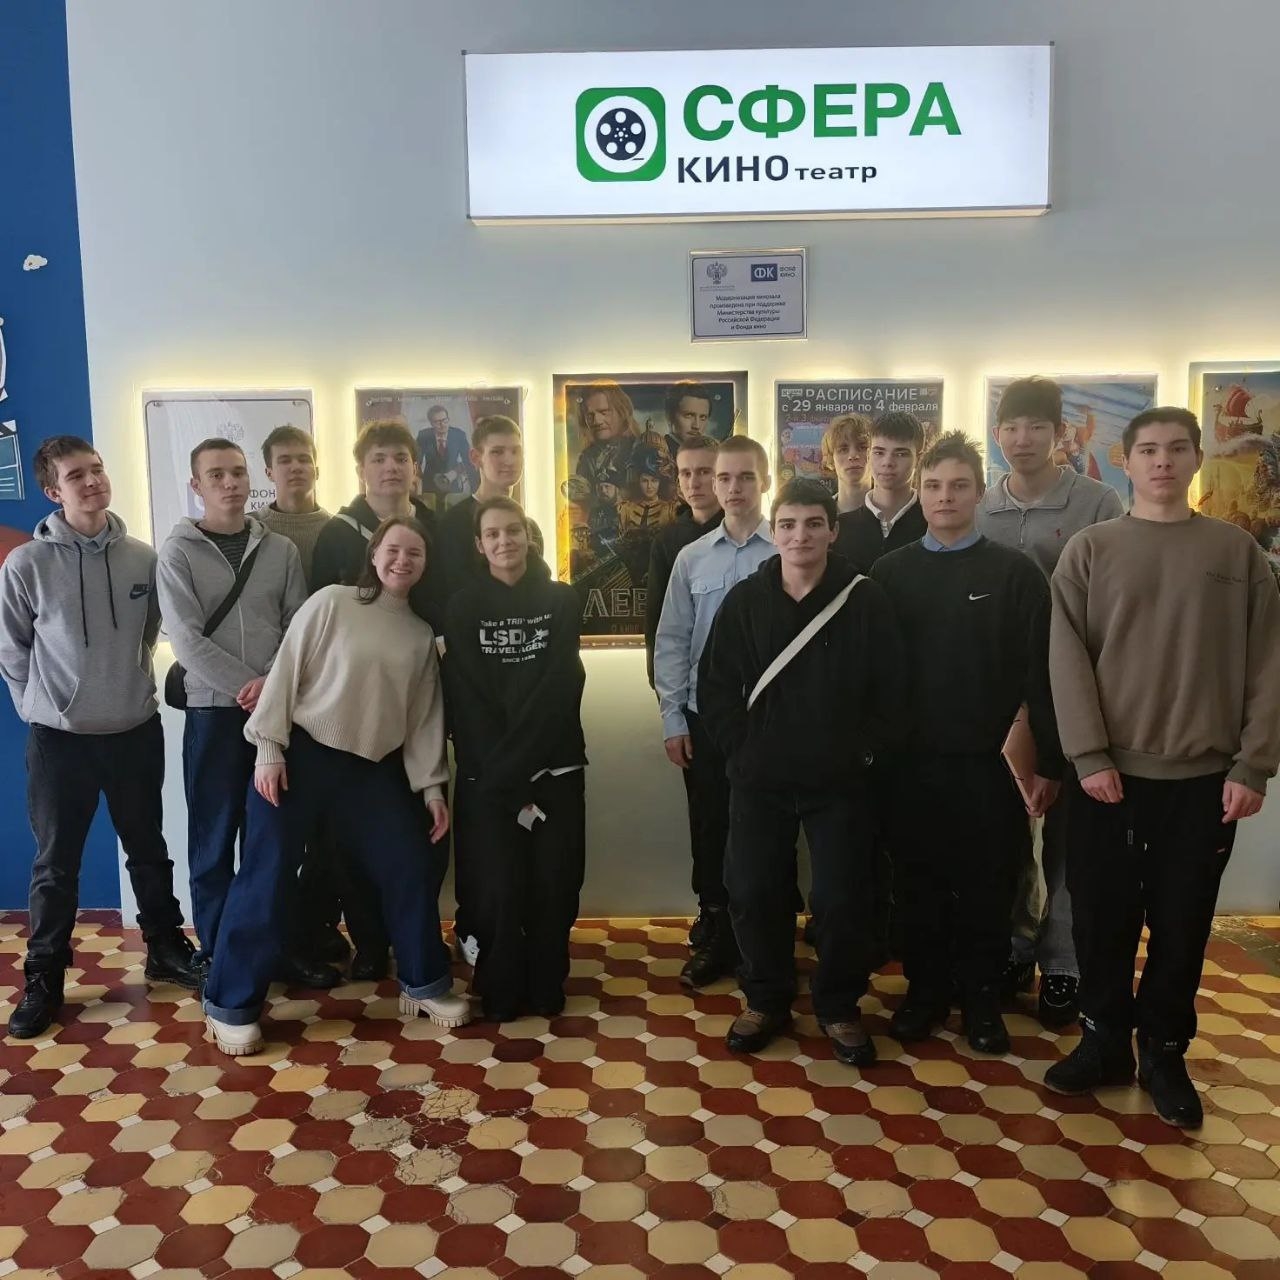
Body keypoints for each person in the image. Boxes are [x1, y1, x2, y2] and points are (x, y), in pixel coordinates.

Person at [1044, 408, 1280, 1128]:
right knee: (1101, 922)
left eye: (1177, 448)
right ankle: (1103, 1041)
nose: (1162, 461)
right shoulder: (1090, 549)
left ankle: (1164, 1052)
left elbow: (1269, 664)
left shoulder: (1237, 553)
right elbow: (1066, 658)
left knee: (1182, 926)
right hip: (1106, 779)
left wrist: (1253, 765)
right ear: (1126, 460)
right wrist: (1088, 755)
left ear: (1198, 457)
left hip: (1205, 781)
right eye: (1148, 449)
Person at [201, 516, 468, 1054]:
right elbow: (286, 672)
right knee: (267, 874)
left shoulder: (419, 635)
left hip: (372, 771)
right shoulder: (331, 602)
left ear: (425, 564)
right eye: (393, 549)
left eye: (414, 553)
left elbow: (423, 720)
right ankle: (228, 1004)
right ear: (374, 554)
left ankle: (423, 983)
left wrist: (432, 789)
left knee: (410, 865)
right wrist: (269, 748)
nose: (402, 560)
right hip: (301, 757)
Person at [697, 479, 906, 1064]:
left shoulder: (864, 599)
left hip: (839, 782)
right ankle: (765, 998)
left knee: (842, 897)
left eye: (813, 523)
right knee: (753, 890)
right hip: (759, 779)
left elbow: (892, 690)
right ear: (775, 531)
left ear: (832, 530)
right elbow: (715, 686)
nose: (800, 536)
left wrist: (862, 754)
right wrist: (741, 750)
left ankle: (838, 1006)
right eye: (788, 524)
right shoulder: (747, 600)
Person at [0, 437, 199, 1038]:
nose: (92, 482)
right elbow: (12, 651)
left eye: (97, 469)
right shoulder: (26, 565)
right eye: (76, 476)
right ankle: (44, 977)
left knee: (148, 847)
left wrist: (129, 689)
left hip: (134, 730)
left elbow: (149, 634)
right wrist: (40, 708)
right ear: (52, 491)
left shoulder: (142, 558)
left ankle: (165, 948)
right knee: (56, 865)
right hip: (60, 740)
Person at [871, 431, 1062, 1056]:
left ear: (980, 493)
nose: (944, 497)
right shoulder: (890, 573)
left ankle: (982, 1000)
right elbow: (873, 674)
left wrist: (1046, 763)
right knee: (918, 885)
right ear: (918, 493)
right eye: (932, 486)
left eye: (958, 486)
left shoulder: (1015, 574)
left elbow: (1042, 676)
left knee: (989, 886)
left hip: (991, 768)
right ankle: (924, 993)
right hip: (911, 766)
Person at [977, 377, 1125, 1028]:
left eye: (1037, 426)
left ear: (1060, 433)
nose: (1023, 439)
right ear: (997, 434)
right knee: (1006, 830)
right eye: (1011, 427)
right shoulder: (982, 504)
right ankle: (1013, 948)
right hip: (997, 697)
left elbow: (1110, 600)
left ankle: (1061, 964)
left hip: (1072, 690)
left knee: (1068, 836)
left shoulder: (1097, 502)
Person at [156, 438, 314, 979]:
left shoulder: (280, 550)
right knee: (214, 839)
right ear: (196, 485)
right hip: (213, 714)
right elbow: (186, 640)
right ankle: (220, 955)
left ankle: (272, 947)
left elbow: (297, 626)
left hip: (274, 714)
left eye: (238, 472)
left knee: (272, 840)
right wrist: (254, 684)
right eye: (216, 475)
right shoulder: (177, 552)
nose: (230, 483)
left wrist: (272, 685)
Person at [444, 498, 587, 1021]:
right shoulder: (461, 607)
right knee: (497, 887)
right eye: (493, 534)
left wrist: (520, 765)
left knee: (555, 883)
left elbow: (559, 686)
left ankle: (547, 980)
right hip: (487, 775)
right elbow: (468, 695)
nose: (504, 541)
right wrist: (502, 772)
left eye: (513, 531)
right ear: (479, 546)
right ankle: (501, 982)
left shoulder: (562, 600)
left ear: (528, 536)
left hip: (555, 768)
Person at [310, 420, 442, 979]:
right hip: (348, 716)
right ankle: (369, 942)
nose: (391, 467)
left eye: (401, 458)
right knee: (349, 842)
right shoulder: (337, 534)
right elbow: (314, 628)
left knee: (422, 832)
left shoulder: (435, 528)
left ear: (416, 467)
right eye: (380, 458)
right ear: (361, 468)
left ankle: (417, 943)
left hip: (418, 697)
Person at [654, 435, 776, 988]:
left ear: (765, 481)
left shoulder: (786, 550)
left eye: (745, 477)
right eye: (723, 478)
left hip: (772, 720)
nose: (732, 488)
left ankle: (765, 946)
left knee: (769, 832)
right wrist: (673, 717)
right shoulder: (691, 558)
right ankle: (717, 934)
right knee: (711, 828)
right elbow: (671, 642)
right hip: (706, 719)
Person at [435, 415, 544, 603]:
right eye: (497, 452)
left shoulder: (531, 528)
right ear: (476, 457)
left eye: (515, 451)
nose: (509, 460)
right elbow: (454, 593)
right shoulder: (454, 524)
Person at [644, 433, 724, 688]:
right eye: (685, 473)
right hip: (685, 679)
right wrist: (659, 683)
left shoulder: (744, 534)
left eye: (703, 472)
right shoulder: (667, 541)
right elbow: (657, 619)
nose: (693, 482)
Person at [833, 411, 927, 571]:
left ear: (919, 459)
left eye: (901, 454)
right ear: (868, 455)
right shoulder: (839, 528)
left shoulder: (933, 523)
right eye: (879, 452)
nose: (887, 462)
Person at [254, 425, 331, 586]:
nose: (296, 467)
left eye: (304, 460)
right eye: (285, 461)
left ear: (317, 471)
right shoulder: (252, 529)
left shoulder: (338, 529)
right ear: (269, 473)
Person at [416, 405, 476, 514]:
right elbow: (416, 462)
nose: (442, 424)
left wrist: (475, 490)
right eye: (437, 422)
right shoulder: (423, 436)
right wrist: (417, 486)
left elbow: (469, 462)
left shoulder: (459, 435)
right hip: (430, 486)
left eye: (445, 420)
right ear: (431, 423)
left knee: (454, 515)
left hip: (452, 484)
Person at [821, 414, 872, 513]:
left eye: (862, 447)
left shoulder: (893, 513)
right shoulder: (819, 514)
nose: (853, 456)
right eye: (843, 449)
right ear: (831, 458)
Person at [663, 381, 715, 458]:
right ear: (670, 416)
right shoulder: (659, 454)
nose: (696, 426)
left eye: (703, 417)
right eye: (689, 415)